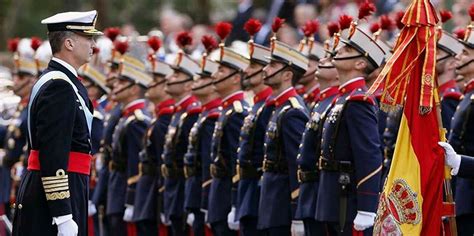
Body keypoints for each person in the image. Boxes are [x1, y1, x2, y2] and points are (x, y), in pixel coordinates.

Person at [12, 10, 103, 236]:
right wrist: (62, 213)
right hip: (59, 193)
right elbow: (53, 152)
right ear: (69, 43)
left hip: (69, 186)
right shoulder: (59, 86)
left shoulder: (65, 82)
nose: (93, 43)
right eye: (88, 37)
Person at [315, 27, 384, 235]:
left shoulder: (358, 101)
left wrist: (366, 206)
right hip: (333, 194)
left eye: (347, 49)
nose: (340, 51)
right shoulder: (344, 98)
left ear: (360, 63)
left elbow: (370, 154)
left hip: (347, 197)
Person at [257, 37, 309, 236]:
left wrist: (297, 213)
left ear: (287, 74)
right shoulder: (279, 107)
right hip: (272, 200)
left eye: (272, 65)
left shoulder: (292, 111)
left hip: (283, 205)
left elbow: (297, 165)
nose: (266, 69)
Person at [295, 39, 339, 236]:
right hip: (312, 193)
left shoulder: (338, 103)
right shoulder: (321, 103)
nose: (323, 61)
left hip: (325, 192)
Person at [106, 49, 152, 236]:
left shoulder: (137, 121)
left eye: (122, 82)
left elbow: (136, 166)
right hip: (116, 192)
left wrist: (131, 201)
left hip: (124, 194)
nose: (115, 86)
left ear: (134, 88)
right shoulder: (127, 117)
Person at [208, 45, 249, 236]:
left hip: (226, 198)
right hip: (218, 197)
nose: (215, 75)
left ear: (235, 78)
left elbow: (236, 163)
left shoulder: (236, 113)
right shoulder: (228, 110)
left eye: (221, 70)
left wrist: (234, 203)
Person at [236, 24, 273, 236]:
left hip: (261, 193)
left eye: (253, 66)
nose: (247, 71)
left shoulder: (270, 107)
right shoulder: (258, 105)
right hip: (248, 192)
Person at [162, 37, 201, 236]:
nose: (169, 78)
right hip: (174, 190)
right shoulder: (180, 111)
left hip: (184, 190)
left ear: (188, 85)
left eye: (177, 75)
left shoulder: (192, 113)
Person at [132, 57, 174, 236]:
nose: (149, 83)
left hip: (154, 195)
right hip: (147, 193)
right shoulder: (159, 118)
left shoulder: (165, 120)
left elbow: (161, 163)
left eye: (156, 80)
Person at [183, 47, 221, 236]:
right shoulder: (204, 115)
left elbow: (208, 163)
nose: (195, 82)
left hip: (204, 196)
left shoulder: (213, 116)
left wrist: (205, 202)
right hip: (195, 194)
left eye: (202, 78)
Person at [1, 38, 38, 229]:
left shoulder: (31, 108)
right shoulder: (21, 107)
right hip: (10, 173)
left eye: (20, 77)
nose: (14, 81)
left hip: (21, 173)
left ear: (32, 80)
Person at [448, 21, 474, 235]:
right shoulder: (468, 96)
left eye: (465, 54)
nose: (457, 57)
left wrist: (459, 162)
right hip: (463, 193)